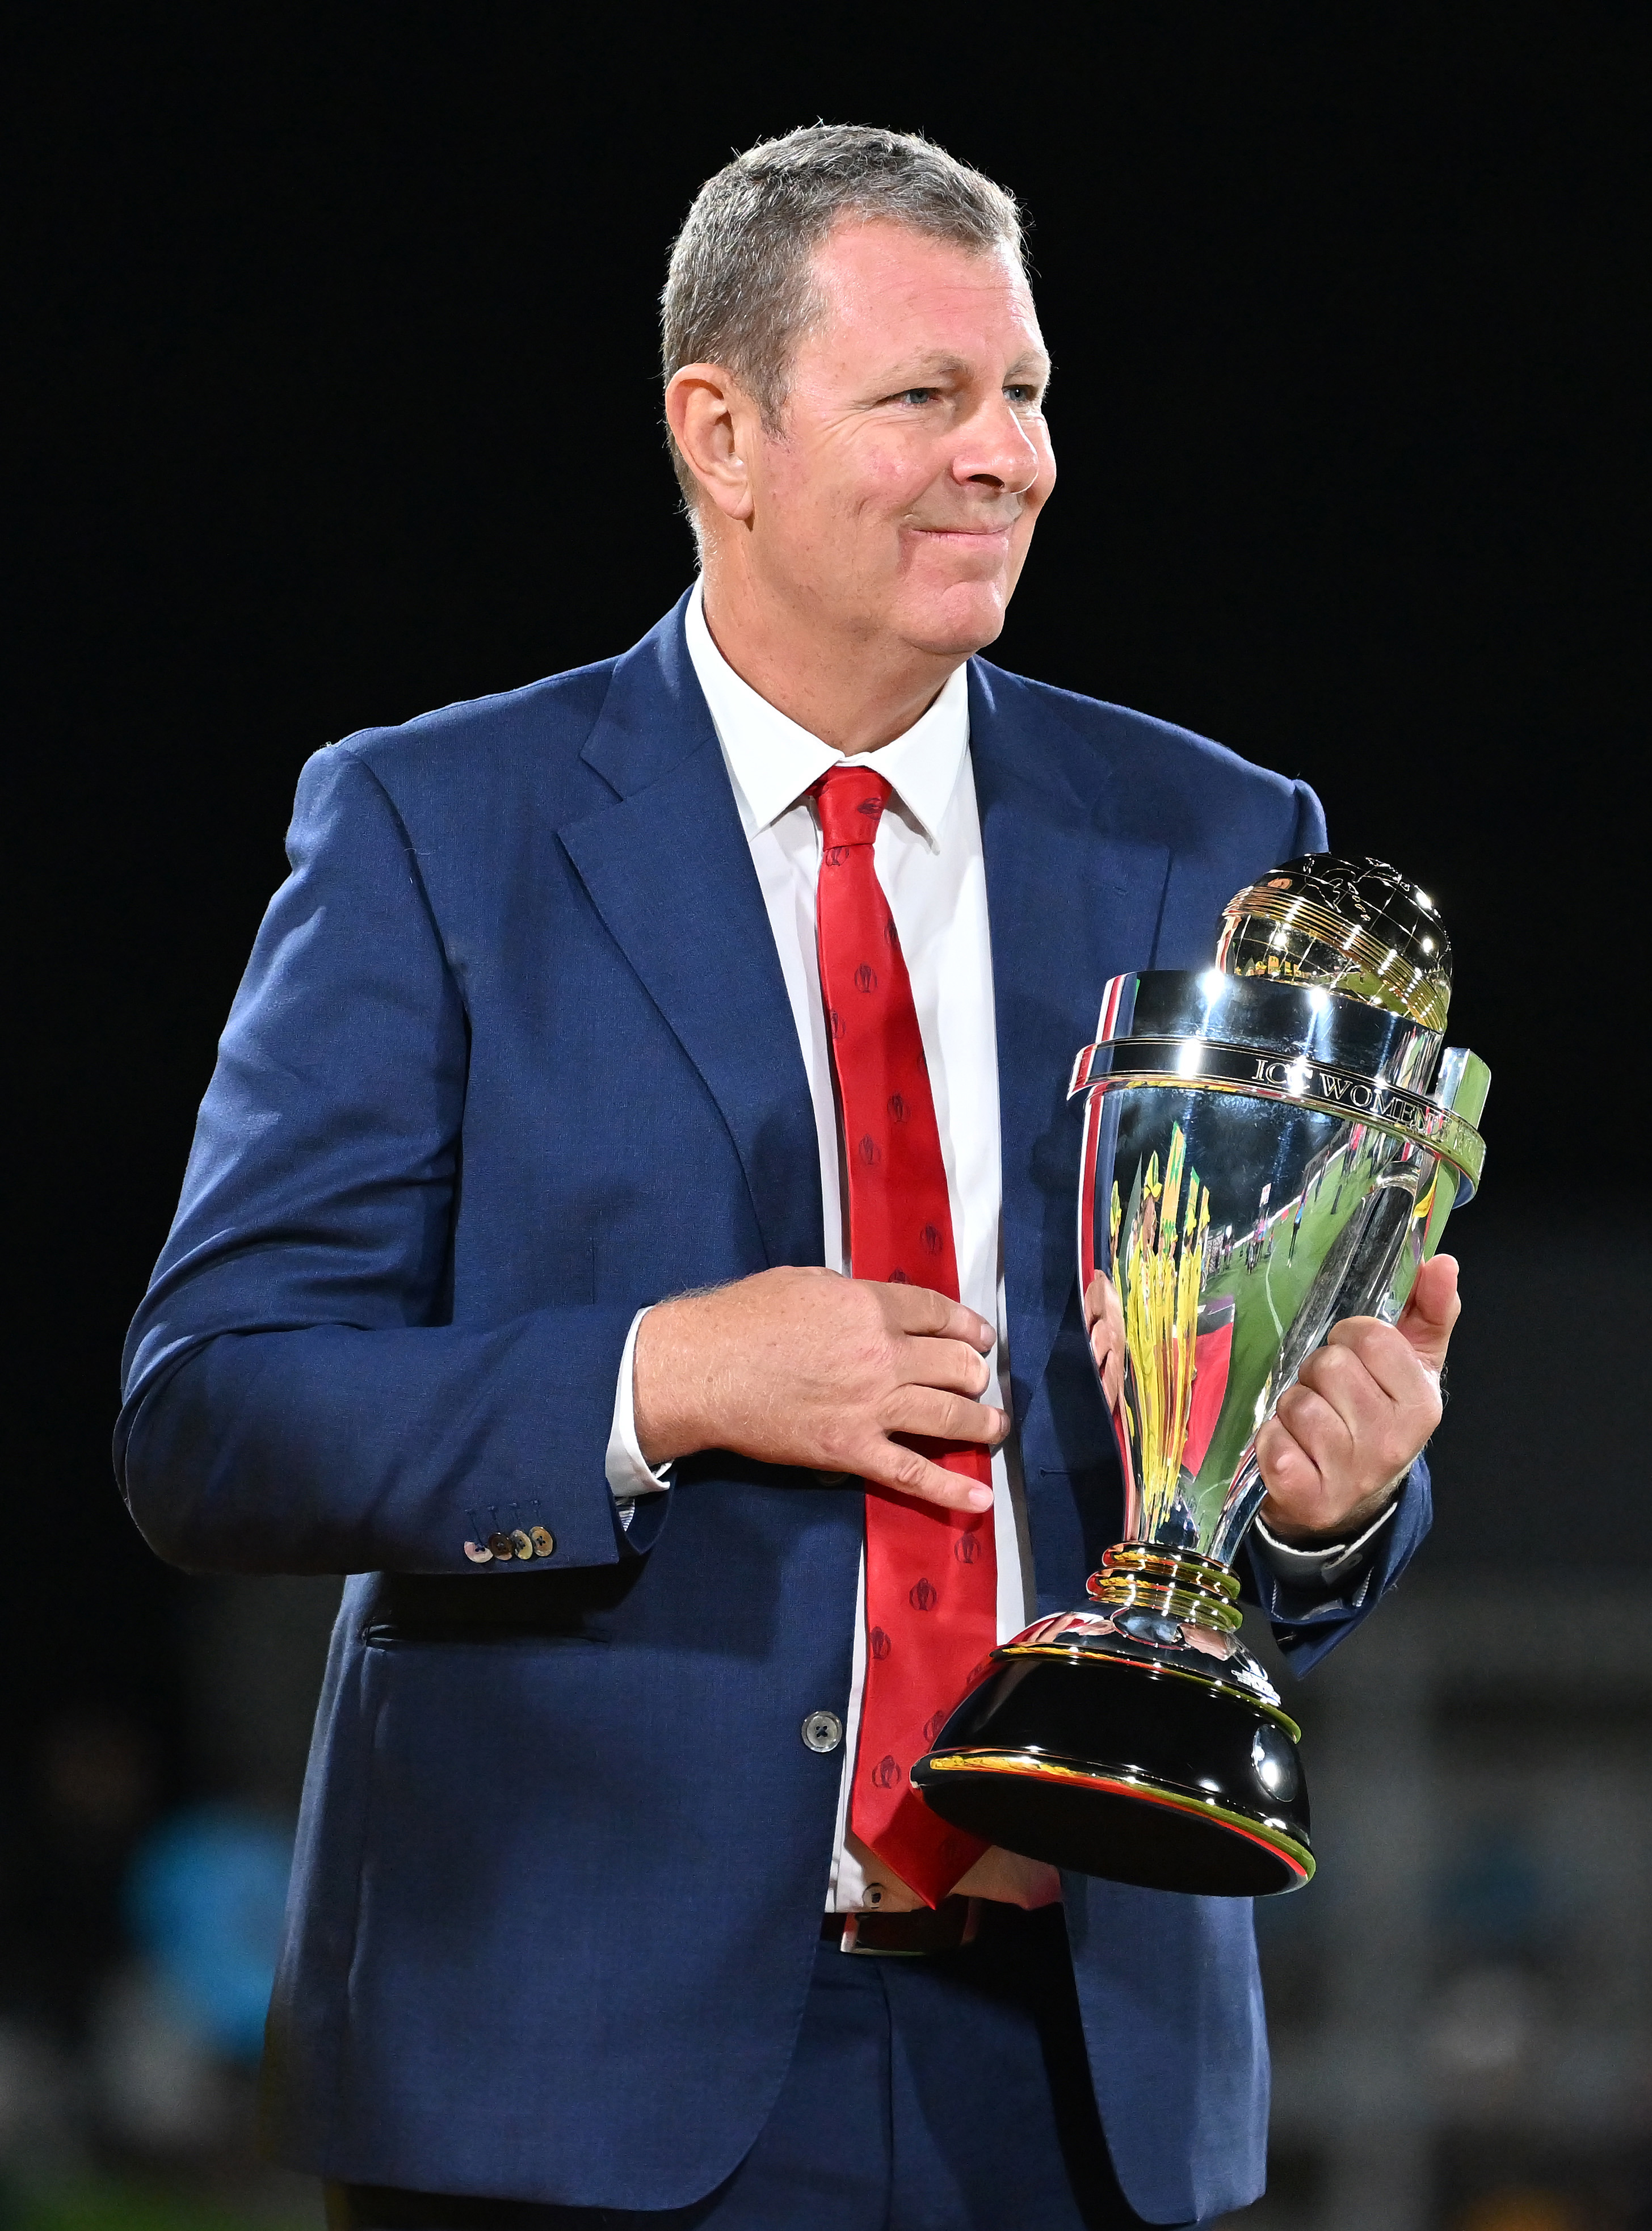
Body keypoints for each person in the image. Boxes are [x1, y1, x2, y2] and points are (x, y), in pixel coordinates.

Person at [117, 126, 1460, 2229]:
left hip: (1078, 2071)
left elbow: (1255, 1458)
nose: (1003, 456)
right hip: (565, 2073)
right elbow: (212, 1415)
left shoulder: (1215, 839)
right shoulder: (434, 829)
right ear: (720, 433)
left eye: (1024, 393)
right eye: (924, 394)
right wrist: (665, 1378)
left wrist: (1329, 1498)